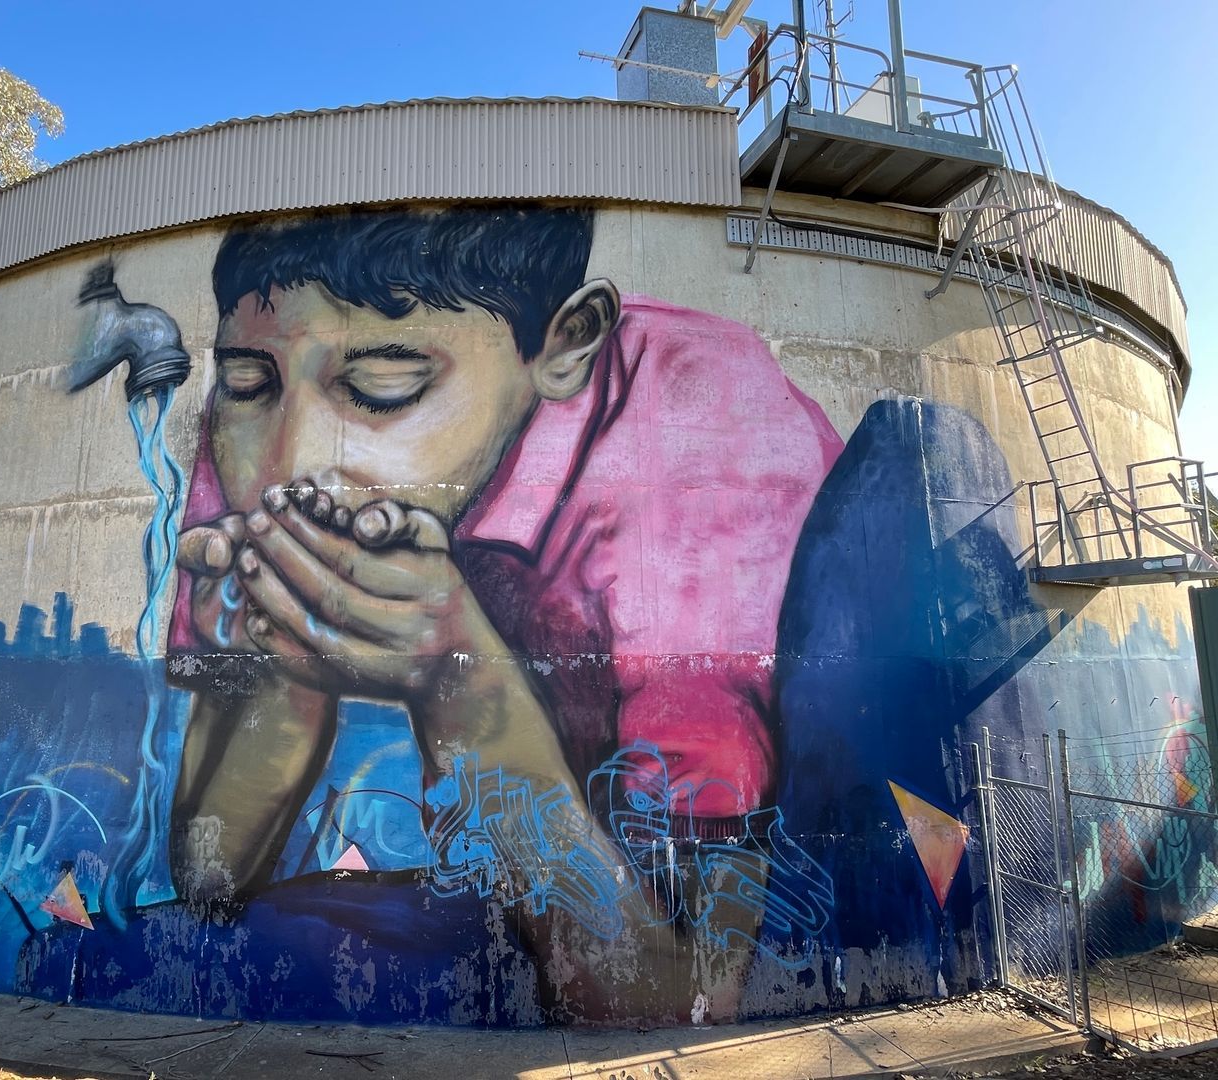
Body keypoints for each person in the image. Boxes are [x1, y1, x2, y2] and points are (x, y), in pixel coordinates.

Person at [163, 204, 843, 1021]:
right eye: (247, 386)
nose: (292, 465)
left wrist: (462, 686)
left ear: (566, 344)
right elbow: (208, 882)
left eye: (383, 391)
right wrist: (289, 673)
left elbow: (681, 1000)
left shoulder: (706, 442)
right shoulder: (265, 409)